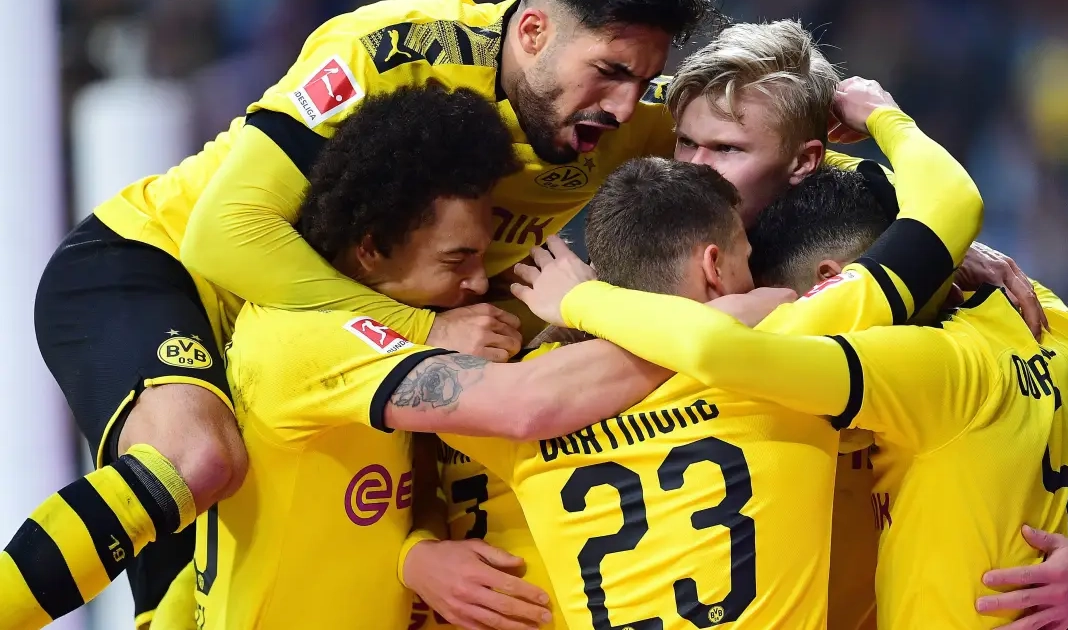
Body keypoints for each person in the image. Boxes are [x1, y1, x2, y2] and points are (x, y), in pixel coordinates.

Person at [10, 0, 723, 626]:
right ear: (534, 31)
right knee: (195, 461)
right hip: (159, 266)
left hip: (323, 330)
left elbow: (758, 142)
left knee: (187, 593)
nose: (623, 106)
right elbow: (223, 234)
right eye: (608, 72)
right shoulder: (390, 49)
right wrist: (424, 332)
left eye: (640, 80)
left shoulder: (642, 117)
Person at [515, 138, 1068, 630]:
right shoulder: (1025, 329)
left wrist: (574, 303)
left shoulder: (540, 387)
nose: (773, 295)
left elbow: (717, 349)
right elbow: (952, 206)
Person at [663, 30, 1068, 630]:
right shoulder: (660, 275)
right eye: (685, 142)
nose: (695, 170)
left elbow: (1066, 445)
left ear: (805, 162)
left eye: (726, 149)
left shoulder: (909, 298)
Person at [196, 84, 683, 630]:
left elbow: (414, 472)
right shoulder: (307, 337)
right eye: (456, 259)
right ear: (371, 248)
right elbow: (527, 405)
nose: (478, 281)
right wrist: (702, 329)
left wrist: (414, 552)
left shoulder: (395, 333)